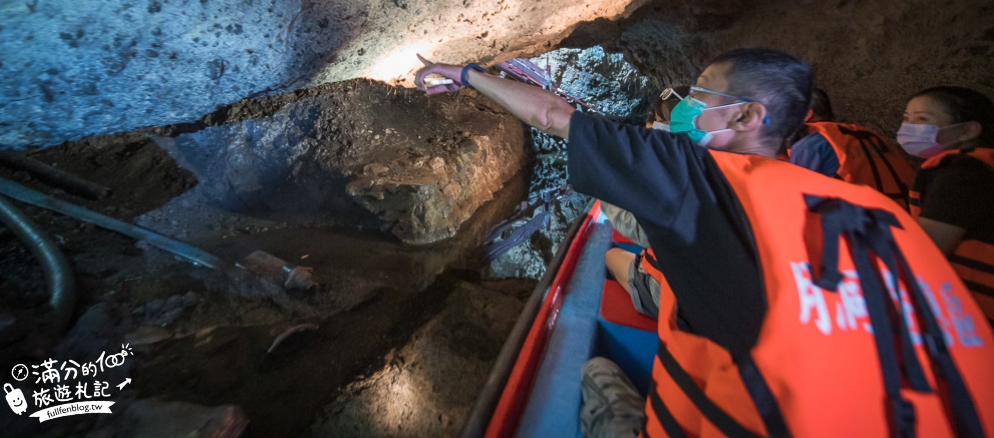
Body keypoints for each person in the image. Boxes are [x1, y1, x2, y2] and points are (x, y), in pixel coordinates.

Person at [416, 49, 994, 437]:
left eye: (701, 93)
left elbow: (553, 114)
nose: (688, 103)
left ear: (745, 114)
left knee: (593, 370)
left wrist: (464, 74)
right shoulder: (872, 211)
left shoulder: (701, 175)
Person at [900, 86, 994, 323]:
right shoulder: (982, 165)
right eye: (906, 119)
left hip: (976, 315)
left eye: (922, 120)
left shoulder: (963, 174)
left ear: (967, 130)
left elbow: (926, 250)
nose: (909, 129)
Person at [604, 86, 690, 318]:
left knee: (611, 257)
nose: (650, 124)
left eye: (658, 120)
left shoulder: (681, 180)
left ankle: (640, 288)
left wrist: (605, 183)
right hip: (698, 285)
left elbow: (639, 228)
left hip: (676, 298)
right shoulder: (706, 161)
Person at [789, 87, 915, 208]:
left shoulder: (808, 147)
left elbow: (797, 202)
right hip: (903, 219)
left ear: (807, 115)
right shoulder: (869, 136)